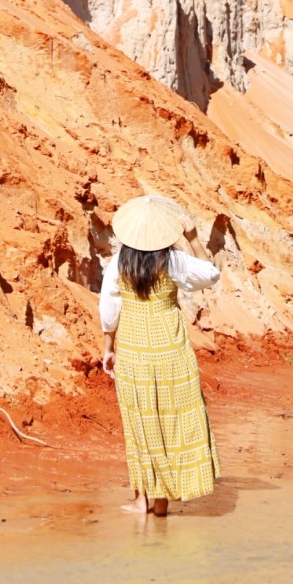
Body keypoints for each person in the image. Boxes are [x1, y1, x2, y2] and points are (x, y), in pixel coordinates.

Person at [99, 193, 221, 516]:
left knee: (138, 421)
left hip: (135, 354)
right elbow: (210, 274)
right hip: (171, 352)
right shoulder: (173, 261)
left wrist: (108, 347)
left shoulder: (119, 264)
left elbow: (109, 307)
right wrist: (194, 238)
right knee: (171, 420)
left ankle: (141, 500)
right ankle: (162, 502)